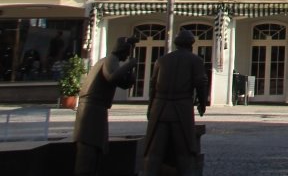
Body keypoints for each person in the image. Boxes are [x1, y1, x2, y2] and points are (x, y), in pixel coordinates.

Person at [143, 29, 208, 176]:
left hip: (160, 109)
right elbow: (200, 83)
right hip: (181, 108)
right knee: (184, 150)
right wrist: (202, 103)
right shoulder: (195, 60)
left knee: (154, 151)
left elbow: (153, 86)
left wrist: (150, 107)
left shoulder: (162, 60)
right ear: (191, 44)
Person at [72, 36, 138, 176]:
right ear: (122, 50)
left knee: (95, 147)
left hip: (97, 108)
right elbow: (112, 77)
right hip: (91, 109)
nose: (127, 56)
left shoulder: (111, 61)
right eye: (127, 53)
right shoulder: (110, 60)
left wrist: (130, 75)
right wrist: (129, 65)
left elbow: (123, 83)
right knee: (89, 148)